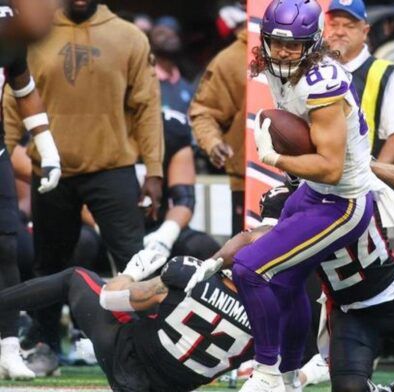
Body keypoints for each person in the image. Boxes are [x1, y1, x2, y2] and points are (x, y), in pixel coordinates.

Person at [189, 160, 394, 392]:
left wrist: (360, 162)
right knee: (349, 388)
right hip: (350, 311)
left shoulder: (350, 171)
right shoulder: (286, 199)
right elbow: (254, 237)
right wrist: (213, 261)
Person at [210, 1, 378, 390]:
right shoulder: (269, 65)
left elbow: (331, 167)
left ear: (313, 43)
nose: (283, 53)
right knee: (285, 279)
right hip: (314, 192)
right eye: (276, 44)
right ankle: (288, 373)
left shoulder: (322, 82)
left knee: (250, 270)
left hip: (343, 201)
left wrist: (274, 156)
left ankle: (266, 372)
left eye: (294, 45)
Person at [2, 0, 163, 360]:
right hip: (52, 167)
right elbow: (14, 103)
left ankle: (145, 346)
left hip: (112, 165)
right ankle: (43, 343)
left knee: (133, 259)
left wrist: (154, 169)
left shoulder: (130, 36)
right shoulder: (36, 33)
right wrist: (5, 150)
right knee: (49, 263)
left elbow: (147, 106)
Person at [0, 250, 257, 391]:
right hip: (172, 385)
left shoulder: (191, 274)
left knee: (76, 277)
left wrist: (133, 271)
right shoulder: (274, 317)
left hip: (127, 361)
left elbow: (110, 299)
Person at [0, 0, 59, 380]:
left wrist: (48, 146)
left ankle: (6, 346)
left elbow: (21, 81)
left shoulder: (7, 17)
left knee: (6, 246)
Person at [144, 19, 220, 260]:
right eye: (160, 30)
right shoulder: (141, 82)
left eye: (173, 31)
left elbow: (185, 199)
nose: (167, 35)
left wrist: (166, 235)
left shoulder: (189, 88)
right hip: (121, 212)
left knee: (202, 246)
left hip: (172, 173)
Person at [324, 0, 394, 163]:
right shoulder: (312, 68)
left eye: (349, 26)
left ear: (365, 31)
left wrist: (374, 177)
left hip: (361, 182)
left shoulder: (385, 74)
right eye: (333, 24)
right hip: (314, 178)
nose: (339, 32)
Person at [189, 22, 247, 236]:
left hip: (314, 182)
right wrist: (212, 142)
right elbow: (204, 111)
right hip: (249, 181)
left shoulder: (318, 50)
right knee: (250, 262)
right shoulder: (231, 59)